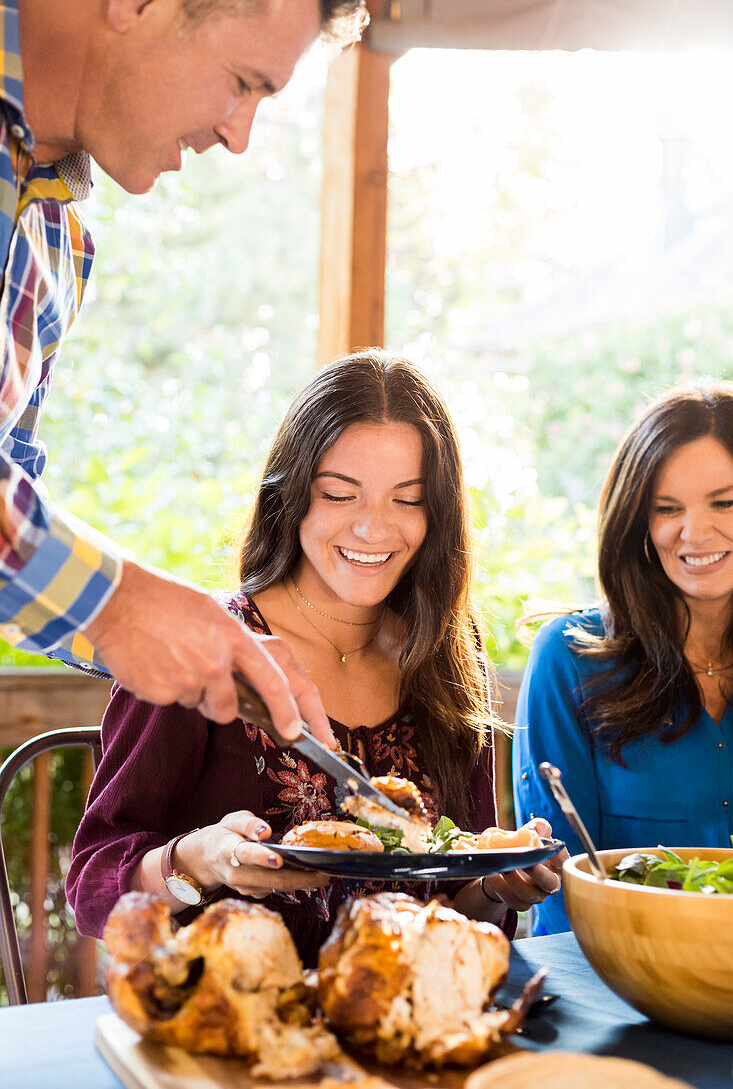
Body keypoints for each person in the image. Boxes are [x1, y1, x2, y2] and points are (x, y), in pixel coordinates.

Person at [68, 351, 565, 965]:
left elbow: (451, 906)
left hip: (397, 1017)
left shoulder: (448, 653)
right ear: (293, 495)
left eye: (407, 500)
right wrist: (196, 860)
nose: (373, 529)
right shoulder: (206, 646)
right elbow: (91, 887)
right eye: (339, 494)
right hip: (233, 1020)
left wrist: (495, 884)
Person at [0, 0, 366, 740]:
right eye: (243, 83)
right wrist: (119, 601)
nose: (238, 137)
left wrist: (208, 645)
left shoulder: (57, 246)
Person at [513, 381, 733, 936]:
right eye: (667, 508)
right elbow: (563, 893)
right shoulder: (568, 660)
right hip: (616, 993)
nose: (696, 531)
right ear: (637, 521)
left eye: (725, 502)